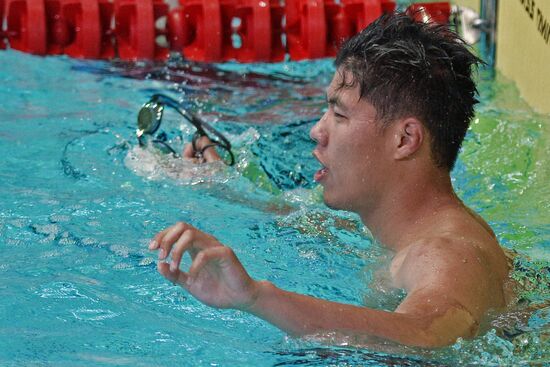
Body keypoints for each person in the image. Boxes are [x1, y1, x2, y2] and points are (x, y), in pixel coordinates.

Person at [147, 12, 511, 348]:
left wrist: (257, 297)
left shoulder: (446, 253)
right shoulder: (407, 231)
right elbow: (320, 226)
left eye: (339, 114)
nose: (315, 131)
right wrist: (222, 187)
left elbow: (429, 332)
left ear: (405, 140)